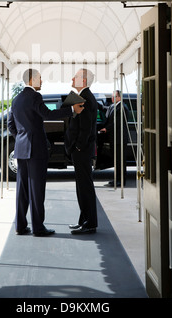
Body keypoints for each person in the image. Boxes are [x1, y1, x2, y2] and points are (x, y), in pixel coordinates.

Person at [8, 68, 84, 237]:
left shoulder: (16, 99)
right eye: (40, 79)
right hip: (36, 150)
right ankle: (38, 228)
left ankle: (20, 226)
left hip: (21, 150)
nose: (42, 82)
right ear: (32, 80)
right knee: (37, 190)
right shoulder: (35, 96)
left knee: (22, 190)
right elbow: (47, 114)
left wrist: (22, 137)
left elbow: (11, 125)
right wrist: (71, 110)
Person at [65, 68, 98, 234]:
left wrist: (78, 146)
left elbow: (85, 128)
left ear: (83, 81)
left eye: (76, 76)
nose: (72, 78)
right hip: (81, 150)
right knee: (82, 187)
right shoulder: (82, 96)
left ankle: (89, 223)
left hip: (82, 150)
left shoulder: (85, 98)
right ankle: (84, 220)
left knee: (85, 187)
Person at [98, 90, 129, 187]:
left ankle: (121, 181)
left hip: (120, 139)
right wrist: (95, 104)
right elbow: (104, 108)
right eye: (112, 97)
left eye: (114, 97)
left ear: (119, 97)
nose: (112, 98)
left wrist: (106, 129)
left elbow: (117, 123)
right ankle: (116, 179)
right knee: (116, 161)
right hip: (114, 139)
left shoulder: (122, 107)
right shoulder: (113, 106)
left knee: (120, 161)